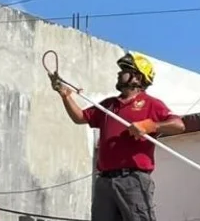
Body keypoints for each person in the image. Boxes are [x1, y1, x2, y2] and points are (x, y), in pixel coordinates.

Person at [52, 50, 185, 221]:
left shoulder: (151, 104)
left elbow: (178, 125)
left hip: (133, 180)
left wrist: (150, 126)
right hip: (105, 181)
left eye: (125, 71)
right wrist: (64, 95)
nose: (119, 73)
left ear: (137, 77)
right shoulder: (109, 105)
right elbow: (80, 117)